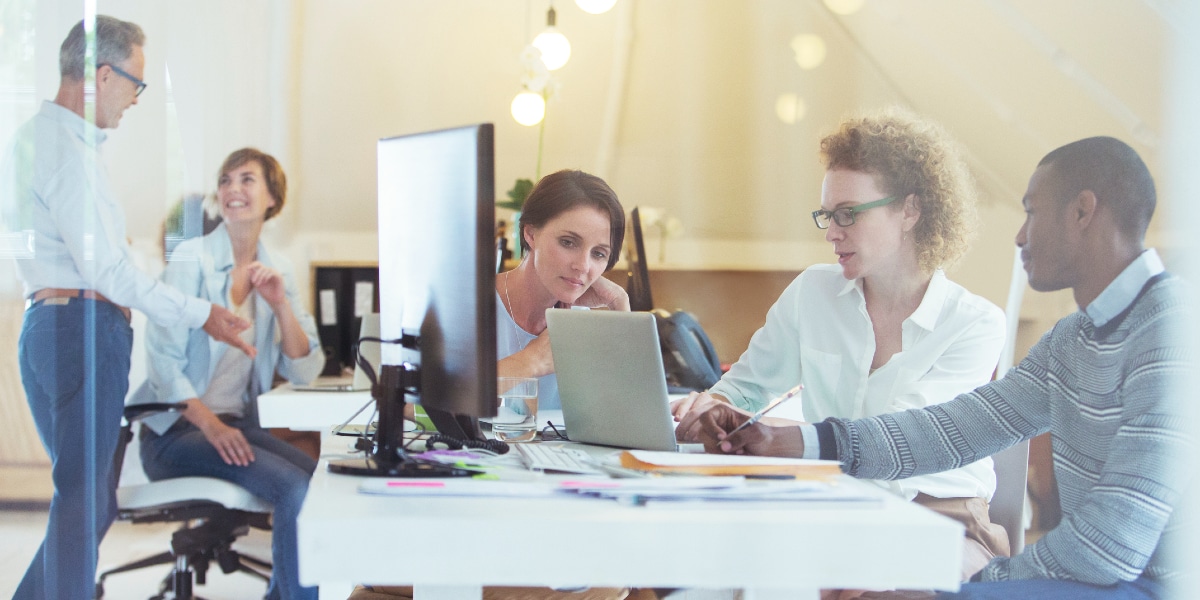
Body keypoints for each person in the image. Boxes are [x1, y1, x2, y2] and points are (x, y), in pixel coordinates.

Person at [684, 136, 1190, 600]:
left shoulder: (1173, 331)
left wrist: (957, 587)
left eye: (1031, 212)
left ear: (1082, 212)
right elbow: (952, 430)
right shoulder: (1073, 339)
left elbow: (1110, 546)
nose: (1019, 236)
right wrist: (798, 442)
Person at [673, 109, 1010, 582]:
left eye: (848, 214)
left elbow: (903, 444)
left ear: (910, 210)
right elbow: (743, 390)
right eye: (827, 216)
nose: (832, 232)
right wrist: (713, 409)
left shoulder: (974, 325)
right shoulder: (814, 292)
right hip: (829, 506)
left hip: (940, 518)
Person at [0, 16, 254, 599]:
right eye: (136, 84)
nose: (138, 99)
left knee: (88, 504)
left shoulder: (38, 138)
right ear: (103, 75)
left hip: (53, 326)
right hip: (81, 329)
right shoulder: (66, 151)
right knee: (85, 504)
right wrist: (202, 313)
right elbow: (108, 272)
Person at [131, 148, 324, 600]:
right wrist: (212, 426)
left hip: (233, 427)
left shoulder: (279, 268)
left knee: (321, 480)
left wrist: (279, 303)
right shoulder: (190, 259)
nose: (233, 189)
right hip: (175, 433)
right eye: (226, 180)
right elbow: (162, 364)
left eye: (247, 180)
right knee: (294, 487)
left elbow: (304, 367)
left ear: (273, 198)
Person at [495, 169, 631, 410]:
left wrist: (619, 304)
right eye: (568, 242)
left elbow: (624, 417)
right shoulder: (468, 304)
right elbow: (412, 407)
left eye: (598, 254)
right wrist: (531, 361)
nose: (582, 266)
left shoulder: (579, 323)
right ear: (530, 233)